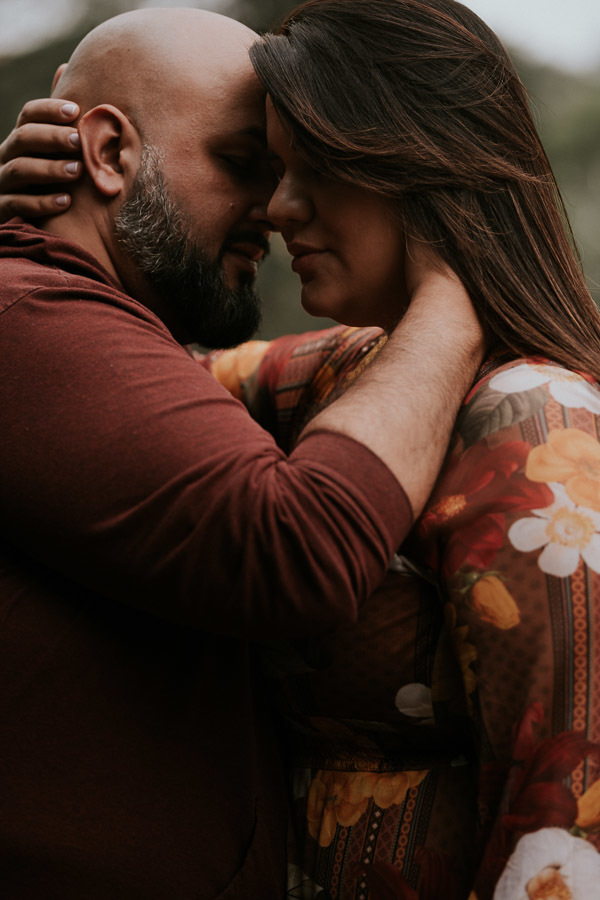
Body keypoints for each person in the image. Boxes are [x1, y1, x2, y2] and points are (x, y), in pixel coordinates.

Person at [8, 1, 600, 897]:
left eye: (295, 169)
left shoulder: (531, 419)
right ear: (110, 152)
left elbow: (566, 793)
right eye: (249, 166)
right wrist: (454, 298)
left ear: (406, 172)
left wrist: (463, 268)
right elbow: (294, 539)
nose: (278, 209)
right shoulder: (34, 320)